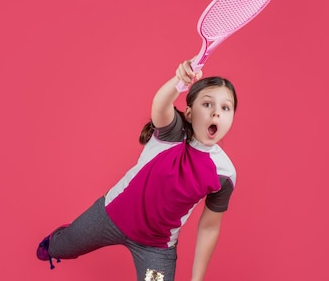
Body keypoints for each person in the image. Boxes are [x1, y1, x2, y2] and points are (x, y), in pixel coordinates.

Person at [36, 59, 238, 281]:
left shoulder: (224, 173)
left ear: (231, 120)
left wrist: (197, 279)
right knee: (62, 247)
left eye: (225, 108)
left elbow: (209, 227)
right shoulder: (172, 133)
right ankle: (59, 240)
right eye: (207, 104)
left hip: (156, 248)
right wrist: (180, 80)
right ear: (189, 113)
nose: (216, 113)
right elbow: (160, 104)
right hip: (110, 216)